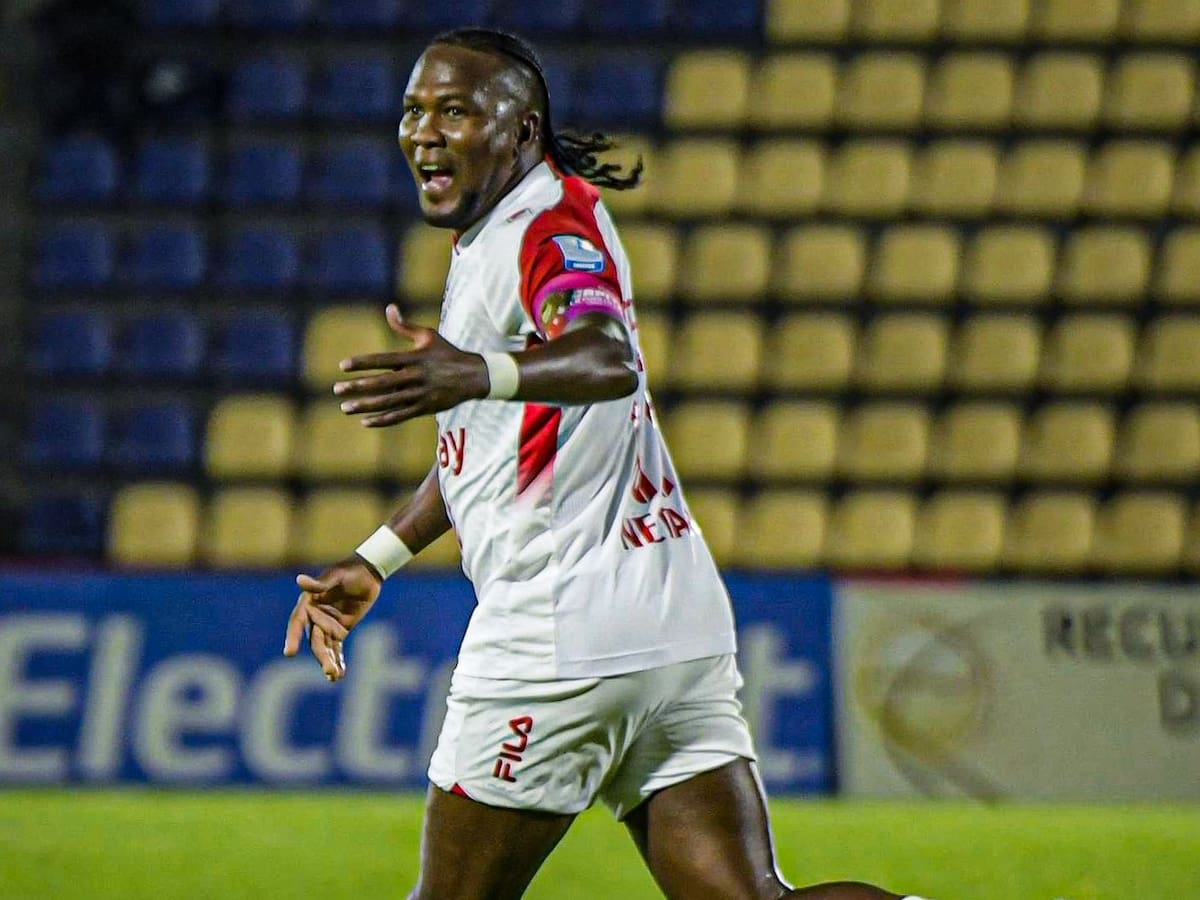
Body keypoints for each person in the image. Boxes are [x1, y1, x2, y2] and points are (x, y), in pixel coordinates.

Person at [284, 28, 929, 900]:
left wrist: (473, 372)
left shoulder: (546, 229)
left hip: (562, 634)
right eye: (414, 111)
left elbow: (605, 356)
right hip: (671, 624)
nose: (425, 133)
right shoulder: (514, 227)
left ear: (522, 131)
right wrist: (378, 558)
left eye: (456, 112)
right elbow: (486, 448)